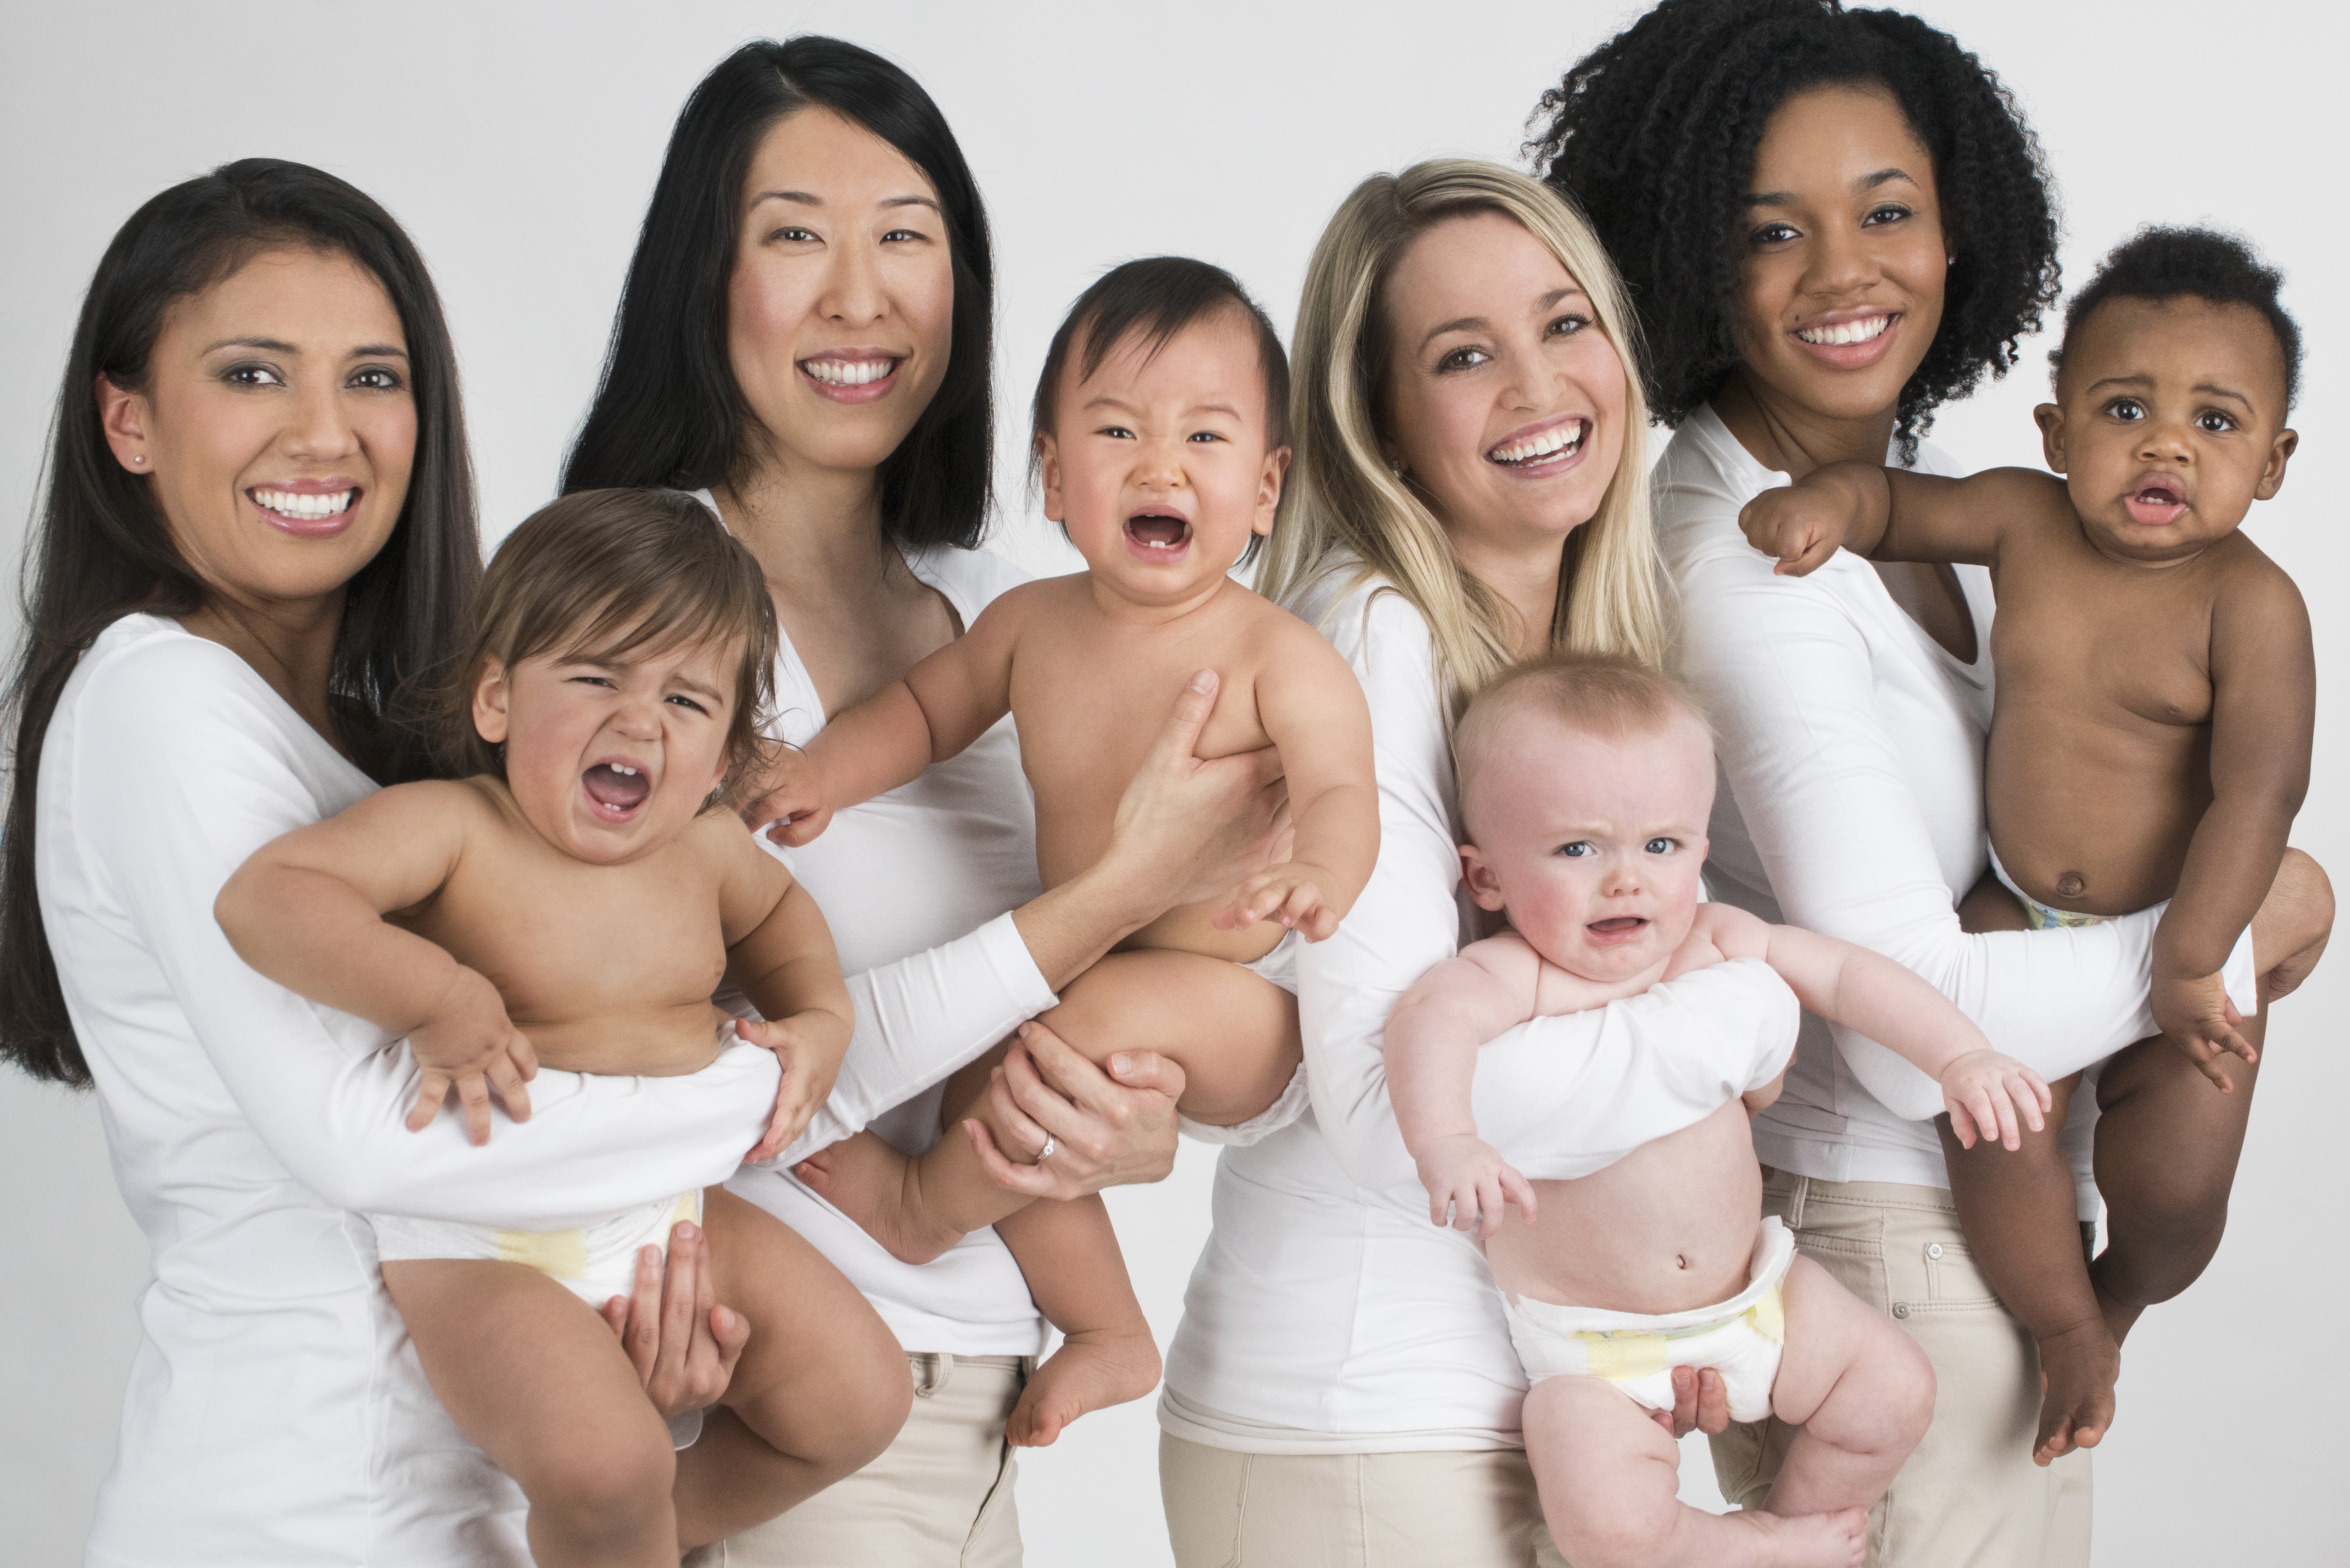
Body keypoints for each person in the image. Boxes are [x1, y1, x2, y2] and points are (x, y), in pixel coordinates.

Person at [1530, 2, 2332, 1559]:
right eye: (1773, 231)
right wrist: (2248, 927)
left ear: (1963, 228)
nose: (1848, 271)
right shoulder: (1750, 554)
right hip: (1894, 1238)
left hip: (1972, 1232)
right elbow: (1907, 1028)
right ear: (1691, 256)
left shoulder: (1955, 523)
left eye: (1888, 210)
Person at [0, 159, 828, 1567]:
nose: (324, 434)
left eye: (374, 378)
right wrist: (769, 1079)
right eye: (254, 375)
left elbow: (602, 1053)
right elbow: (371, 1137)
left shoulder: (430, 758)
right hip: (292, 1516)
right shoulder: (159, 698)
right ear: (128, 422)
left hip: (462, 1518)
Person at [563, 39, 1291, 1566]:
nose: (858, 294)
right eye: (792, 236)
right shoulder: (624, 616)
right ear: (704, 275)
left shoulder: (1030, 608)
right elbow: (669, 1069)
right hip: (770, 1405)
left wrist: (1127, 1118)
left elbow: (1216, 998)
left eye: (905, 233)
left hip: (987, 1394)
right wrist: (1095, 903)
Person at [1155, 159, 1792, 1568]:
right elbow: (1389, 1110)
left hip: (1537, 1408)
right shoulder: (1365, 635)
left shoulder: (1598, 663)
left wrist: (1665, 1311)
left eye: (1565, 324)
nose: (1536, 383)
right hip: (1363, 1419)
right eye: (1461, 355)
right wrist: (1735, 1021)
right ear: (1377, 422)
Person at [216, 491, 923, 1564]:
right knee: (607, 1463)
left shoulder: (708, 850)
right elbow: (268, 896)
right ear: (496, 697)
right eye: (597, 676)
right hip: (487, 1242)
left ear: (727, 749)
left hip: (667, 1204)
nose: (639, 720)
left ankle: (633, 1534)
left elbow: (783, 918)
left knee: (860, 1396)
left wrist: (820, 1017)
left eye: (687, 700)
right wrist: (438, 997)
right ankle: (613, 1519)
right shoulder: (455, 829)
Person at [1741, 227, 2330, 1462]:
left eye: (2215, 423)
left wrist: (2191, 956)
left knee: (2177, 1194)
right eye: (2126, 407)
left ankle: (2124, 1291)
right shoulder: (2023, 517)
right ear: (2059, 432)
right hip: (2012, 905)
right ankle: (2066, 1322)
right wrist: (1825, 506)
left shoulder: (2254, 605)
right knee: (1996, 1133)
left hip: (2187, 918)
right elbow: (1900, 502)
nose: (2166, 441)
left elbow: (2256, 797)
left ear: (2272, 464)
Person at [767, 257, 1378, 1445]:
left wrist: (1323, 873)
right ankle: (1104, 1329)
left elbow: (1344, 785)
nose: (1160, 466)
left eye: (1205, 437)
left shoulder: (1276, 655)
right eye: (1117, 431)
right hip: (1100, 966)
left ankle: (914, 1211)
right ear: (1053, 476)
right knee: (991, 1070)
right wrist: (816, 776)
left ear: (1265, 490)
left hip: (1234, 994)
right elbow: (921, 715)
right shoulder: (1026, 626)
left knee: (1038, 1047)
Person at [1386, 657, 2056, 1567]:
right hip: (1596, 1348)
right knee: (1609, 1526)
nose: (1625, 879)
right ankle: (1739, 1546)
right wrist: (1447, 1140)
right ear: (1485, 876)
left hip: (1759, 1294)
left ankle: (1795, 1524)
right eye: (1577, 848)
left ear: (1701, 854)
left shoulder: (1713, 937)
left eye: (1660, 845)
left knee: (1892, 1389)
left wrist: (1956, 1052)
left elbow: (1846, 974)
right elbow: (1430, 1021)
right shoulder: (1516, 976)